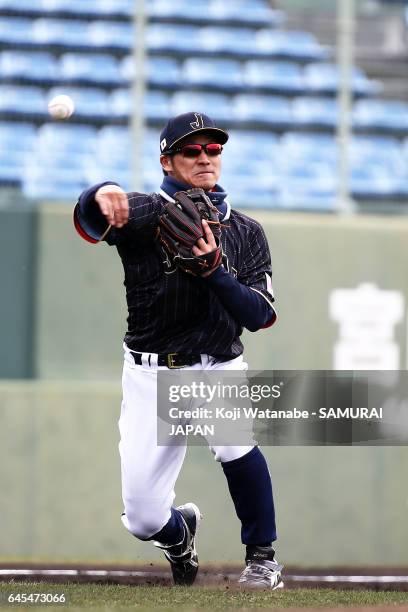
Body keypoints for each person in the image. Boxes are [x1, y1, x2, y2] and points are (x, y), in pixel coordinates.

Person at [73, 112, 283, 589]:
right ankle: (178, 532)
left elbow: (261, 316)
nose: (206, 157)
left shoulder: (246, 231)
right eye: (193, 150)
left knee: (236, 446)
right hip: (152, 372)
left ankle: (263, 558)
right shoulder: (147, 213)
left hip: (216, 364)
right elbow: (90, 220)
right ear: (168, 161)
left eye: (213, 149)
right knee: (143, 519)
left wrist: (215, 272)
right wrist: (100, 192)